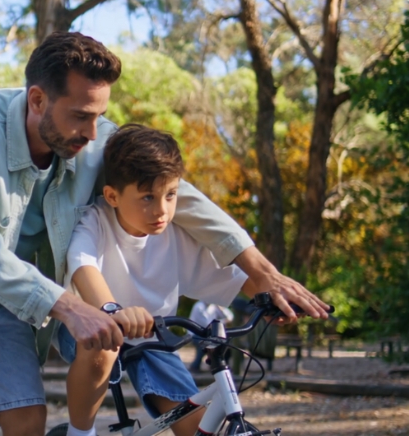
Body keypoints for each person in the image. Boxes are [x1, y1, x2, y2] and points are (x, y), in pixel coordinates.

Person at [0, 32, 329, 436]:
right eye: (81, 116)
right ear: (36, 101)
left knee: (27, 421)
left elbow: (176, 193)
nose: (93, 134)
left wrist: (261, 270)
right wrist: (74, 308)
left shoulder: (89, 135)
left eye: (99, 116)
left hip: (8, 295)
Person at [57, 124, 320, 436]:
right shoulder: (95, 221)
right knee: (104, 343)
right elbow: (82, 264)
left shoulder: (176, 235)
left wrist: (271, 300)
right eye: (147, 198)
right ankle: (79, 433)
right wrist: (111, 309)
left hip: (153, 337)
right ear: (112, 196)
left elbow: (230, 279)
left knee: (196, 427)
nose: (162, 210)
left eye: (170, 195)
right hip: (89, 325)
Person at [188, 300, 234, 372]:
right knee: (204, 346)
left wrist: (221, 309)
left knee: (224, 345)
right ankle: (194, 367)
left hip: (207, 335)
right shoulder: (198, 306)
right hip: (195, 334)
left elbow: (231, 317)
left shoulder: (213, 306)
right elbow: (207, 324)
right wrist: (224, 321)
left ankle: (216, 366)